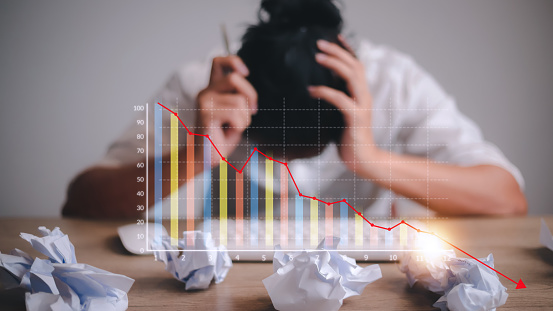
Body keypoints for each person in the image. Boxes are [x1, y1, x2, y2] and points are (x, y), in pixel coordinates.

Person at [62, 0, 526, 219]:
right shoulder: (205, 89)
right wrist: (198, 153)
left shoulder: (392, 81)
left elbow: (505, 199)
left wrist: (370, 160)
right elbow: (81, 203)